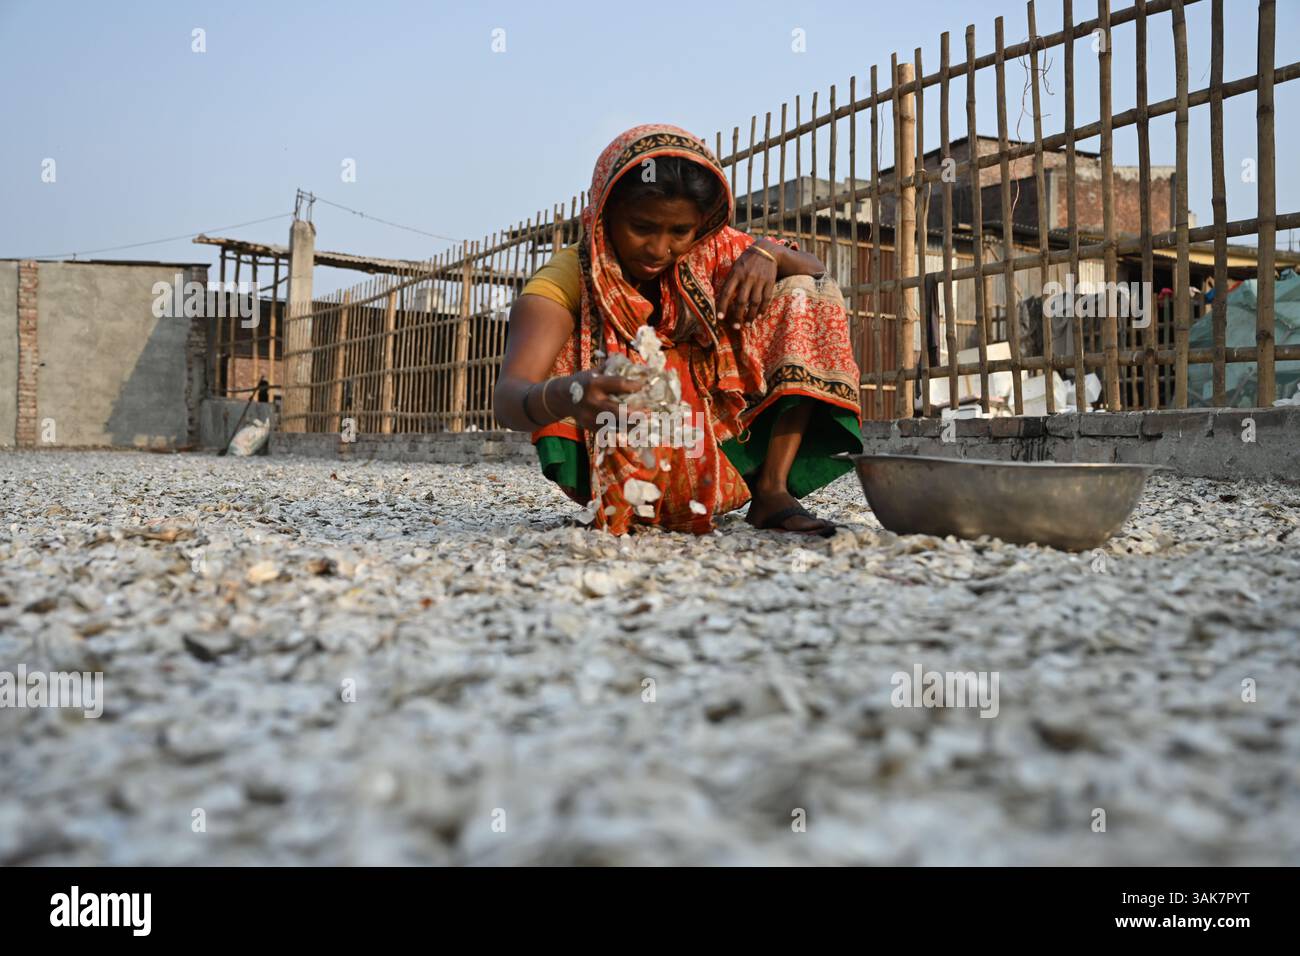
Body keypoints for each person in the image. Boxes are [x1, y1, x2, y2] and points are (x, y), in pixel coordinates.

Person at [493, 123, 862, 536]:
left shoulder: (717, 251)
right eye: (642, 227)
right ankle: (624, 502)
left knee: (807, 291)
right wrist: (568, 392)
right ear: (604, 215)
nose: (658, 249)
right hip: (614, 459)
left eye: (679, 232)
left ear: (701, 226)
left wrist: (768, 252)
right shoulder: (566, 278)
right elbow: (508, 399)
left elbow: (816, 271)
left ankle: (772, 491)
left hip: (720, 460)